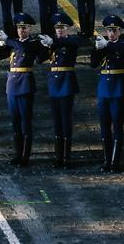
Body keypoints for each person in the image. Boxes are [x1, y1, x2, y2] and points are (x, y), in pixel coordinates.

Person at [0, 13, 50, 167]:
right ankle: (17, 154)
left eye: (24, 27)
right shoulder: (14, 44)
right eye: (19, 27)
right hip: (12, 84)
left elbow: (25, 48)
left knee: (25, 121)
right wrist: (0, 46)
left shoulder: (32, 43)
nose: (21, 30)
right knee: (15, 122)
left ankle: (25, 156)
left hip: (25, 84)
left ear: (30, 28)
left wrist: (8, 40)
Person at [91, 15, 124, 173]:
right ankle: (106, 159)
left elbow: (123, 51)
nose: (111, 33)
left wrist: (106, 46)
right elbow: (93, 64)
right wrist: (97, 49)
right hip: (104, 87)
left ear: (120, 31)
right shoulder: (104, 44)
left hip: (117, 87)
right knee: (104, 126)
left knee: (117, 126)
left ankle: (115, 161)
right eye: (109, 30)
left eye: (114, 30)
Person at [43, 12, 81, 168]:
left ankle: (66, 157)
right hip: (54, 83)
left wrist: (53, 43)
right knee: (57, 122)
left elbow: (72, 43)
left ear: (67, 29)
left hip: (66, 83)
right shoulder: (53, 43)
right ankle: (59, 156)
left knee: (66, 121)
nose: (59, 30)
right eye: (57, 28)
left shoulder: (71, 40)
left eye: (62, 27)